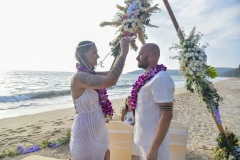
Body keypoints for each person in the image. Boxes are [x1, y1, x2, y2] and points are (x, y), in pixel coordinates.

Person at [69, 37, 130, 160]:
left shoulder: (92, 75)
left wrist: (120, 53)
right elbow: (111, 80)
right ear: (83, 54)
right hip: (84, 132)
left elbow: (113, 74)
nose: (98, 56)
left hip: (100, 130)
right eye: (94, 52)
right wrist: (123, 53)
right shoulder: (79, 77)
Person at [131, 43, 175, 160]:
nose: (137, 57)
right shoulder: (148, 79)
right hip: (143, 140)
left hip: (154, 144)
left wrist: (154, 148)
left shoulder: (161, 78)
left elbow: (167, 115)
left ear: (151, 55)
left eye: (140, 54)